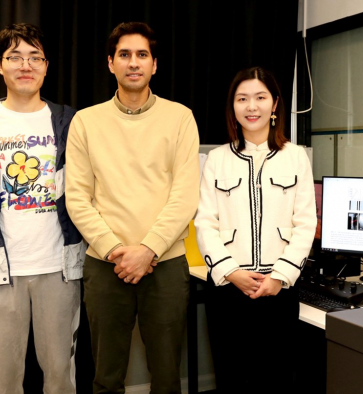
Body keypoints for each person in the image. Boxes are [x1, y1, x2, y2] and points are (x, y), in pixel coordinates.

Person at [65, 22, 200, 394]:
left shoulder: (180, 118)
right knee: (106, 378)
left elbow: (185, 195)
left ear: (154, 64)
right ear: (111, 63)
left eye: (142, 55)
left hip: (166, 264)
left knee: (167, 377)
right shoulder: (86, 122)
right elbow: (77, 197)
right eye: (124, 54)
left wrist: (148, 249)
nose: (133, 62)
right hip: (106, 265)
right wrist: (117, 250)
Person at [195, 66, 316, 393]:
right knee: (231, 379)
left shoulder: (296, 158)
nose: (252, 106)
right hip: (228, 291)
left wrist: (279, 277)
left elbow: (305, 223)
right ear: (232, 106)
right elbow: (205, 223)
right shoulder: (217, 159)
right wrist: (231, 272)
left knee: (275, 381)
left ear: (275, 103)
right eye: (243, 98)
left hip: (279, 290)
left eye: (260, 97)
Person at [0, 23, 85, 394]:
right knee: (4, 377)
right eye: (15, 56)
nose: (25, 64)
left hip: (59, 267)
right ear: (0, 65)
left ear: (47, 66)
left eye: (35, 57)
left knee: (59, 376)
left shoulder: (69, 121)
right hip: (3, 271)